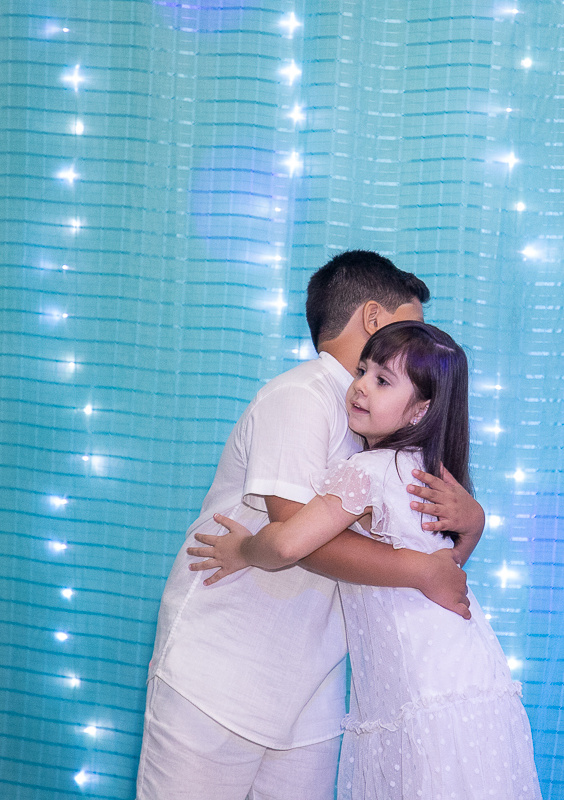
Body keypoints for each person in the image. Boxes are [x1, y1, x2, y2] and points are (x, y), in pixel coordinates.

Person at [137, 251, 487, 800]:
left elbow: (435, 554)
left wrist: (472, 522)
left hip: (310, 682)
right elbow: (296, 537)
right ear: (373, 318)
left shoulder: (382, 432)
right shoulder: (302, 395)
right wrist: (421, 569)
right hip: (223, 669)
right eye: (411, 326)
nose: (419, 345)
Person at [191, 320, 541, 800]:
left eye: (382, 380)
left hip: (421, 681)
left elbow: (290, 545)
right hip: (466, 672)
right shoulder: (426, 472)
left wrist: (243, 549)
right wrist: (473, 526)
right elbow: (448, 564)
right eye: (362, 371)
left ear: (421, 409)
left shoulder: (366, 470)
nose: (360, 386)